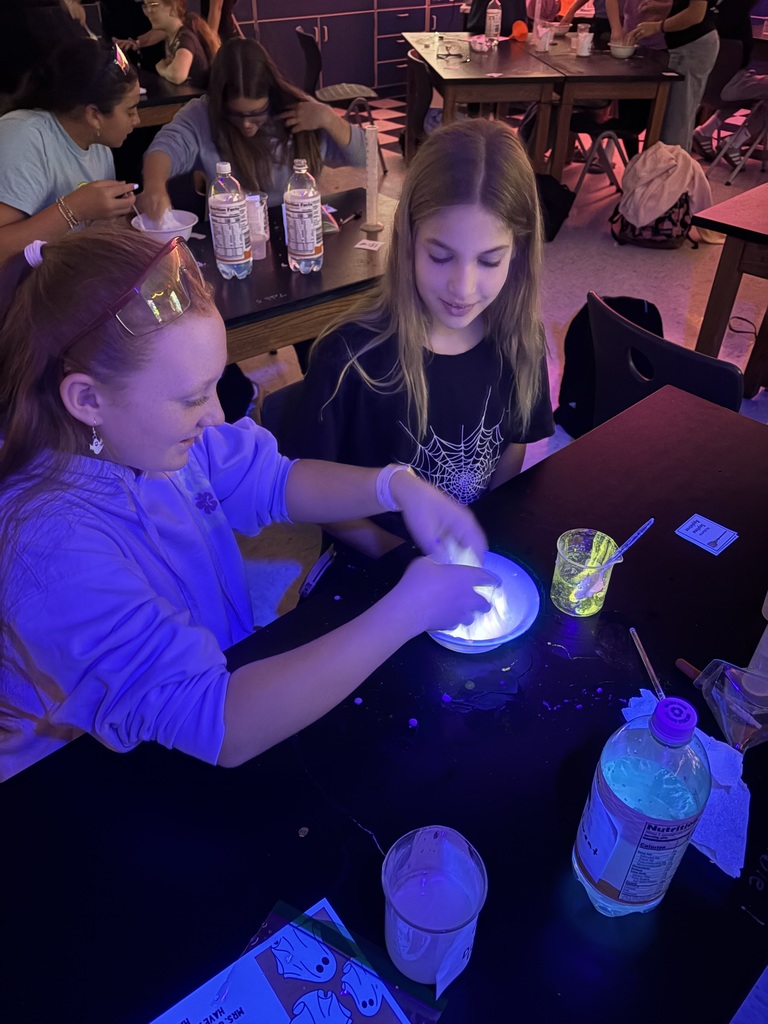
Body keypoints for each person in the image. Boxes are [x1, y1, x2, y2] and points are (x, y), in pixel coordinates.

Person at [0, 227, 493, 783]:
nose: (215, 415)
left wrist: (395, 485)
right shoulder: (46, 550)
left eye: (214, 386)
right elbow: (216, 721)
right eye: (192, 398)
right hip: (73, 782)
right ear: (88, 398)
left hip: (212, 681)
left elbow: (270, 480)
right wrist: (406, 611)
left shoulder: (145, 435)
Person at [273, 119, 554, 560]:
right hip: (372, 565)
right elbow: (310, 491)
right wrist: (401, 560)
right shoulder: (348, 358)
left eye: (489, 260)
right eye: (440, 256)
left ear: (517, 253)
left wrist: (484, 533)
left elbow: (515, 442)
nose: (462, 288)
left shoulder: (522, 342)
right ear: (408, 240)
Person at [139, 37, 366, 220]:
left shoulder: (298, 111)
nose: (246, 124)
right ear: (220, 102)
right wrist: (155, 185)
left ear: (271, 96)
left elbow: (364, 156)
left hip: (298, 231)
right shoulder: (202, 115)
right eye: (236, 115)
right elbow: (166, 146)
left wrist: (329, 119)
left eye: (257, 114)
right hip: (232, 238)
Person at [0, 38, 140, 265]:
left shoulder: (98, 144)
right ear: (94, 115)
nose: (137, 120)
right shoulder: (24, 136)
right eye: (131, 110)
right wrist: (75, 209)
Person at [630, 0, 719, 151]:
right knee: (673, 117)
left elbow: (695, 15)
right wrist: (662, 8)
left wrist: (658, 26)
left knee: (676, 122)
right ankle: (669, 168)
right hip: (685, 46)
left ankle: (673, 170)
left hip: (693, 47)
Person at [692, 0, 767, 160]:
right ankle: (734, 142)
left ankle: (705, 131)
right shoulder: (738, 18)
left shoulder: (710, 15)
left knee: (758, 92)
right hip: (730, 86)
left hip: (707, 88)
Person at [127, 0, 220, 88]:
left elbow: (178, 75)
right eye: (146, 6)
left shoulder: (185, 37)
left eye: (153, 5)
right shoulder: (172, 35)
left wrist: (161, 68)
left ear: (172, 7)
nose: (149, 11)